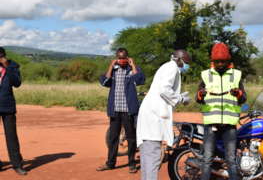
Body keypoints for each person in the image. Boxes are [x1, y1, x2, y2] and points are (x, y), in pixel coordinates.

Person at [136, 49, 191, 180]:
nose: (187, 66)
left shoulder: (167, 67)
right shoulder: (171, 68)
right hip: (153, 117)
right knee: (152, 157)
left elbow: (164, 89)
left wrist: (178, 96)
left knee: (148, 158)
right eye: (186, 62)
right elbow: (164, 89)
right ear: (179, 59)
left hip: (151, 115)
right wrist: (181, 99)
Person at [196, 42, 246, 180]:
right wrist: (200, 94)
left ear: (228, 60)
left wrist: (239, 94)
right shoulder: (206, 75)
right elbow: (198, 98)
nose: (220, 64)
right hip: (211, 123)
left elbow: (243, 98)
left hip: (229, 125)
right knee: (207, 159)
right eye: (217, 61)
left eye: (222, 61)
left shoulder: (236, 75)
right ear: (213, 60)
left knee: (231, 160)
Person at [97, 48, 145, 173]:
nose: (121, 60)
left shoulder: (132, 70)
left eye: (124, 58)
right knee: (113, 138)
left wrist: (133, 65)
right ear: (116, 58)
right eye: (119, 58)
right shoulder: (114, 70)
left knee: (131, 138)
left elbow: (140, 80)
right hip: (115, 109)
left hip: (128, 110)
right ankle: (110, 163)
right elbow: (104, 82)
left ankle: (131, 163)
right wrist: (111, 66)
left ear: (128, 58)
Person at [0, 47, 27, 175]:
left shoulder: (12, 66)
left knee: (11, 137)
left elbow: (17, 83)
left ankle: (17, 164)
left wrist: (7, 66)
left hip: (7, 106)